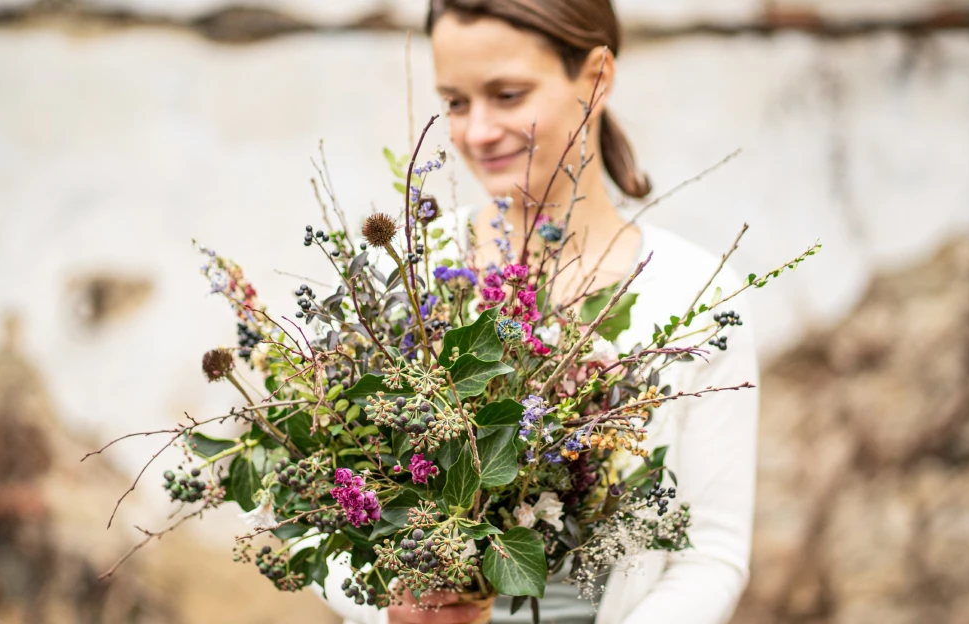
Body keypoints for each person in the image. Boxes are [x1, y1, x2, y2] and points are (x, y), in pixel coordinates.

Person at [315, 1, 760, 622]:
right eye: (458, 101)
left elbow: (711, 552)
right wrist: (391, 610)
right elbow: (317, 512)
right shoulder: (413, 278)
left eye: (507, 94)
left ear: (597, 78)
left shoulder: (695, 293)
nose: (475, 132)